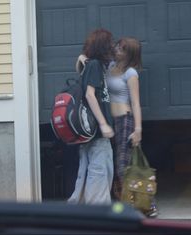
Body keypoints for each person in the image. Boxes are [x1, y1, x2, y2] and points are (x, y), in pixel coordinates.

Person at [107, 37, 157, 216]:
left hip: (125, 121)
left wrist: (138, 129)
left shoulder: (131, 73)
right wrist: (81, 58)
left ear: (130, 54)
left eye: (122, 48)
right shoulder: (110, 66)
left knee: (124, 167)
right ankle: (125, 205)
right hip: (109, 121)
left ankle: (148, 204)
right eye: (118, 46)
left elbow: (136, 103)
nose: (117, 49)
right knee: (112, 166)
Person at [68, 28, 115, 205]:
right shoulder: (95, 66)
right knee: (100, 174)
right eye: (109, 43)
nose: (112, 46)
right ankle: (99, 218)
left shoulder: (90, 65)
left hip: (89, 135)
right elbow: (89, 95)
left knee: (85, 175)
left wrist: (82, 58)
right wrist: (103, 124)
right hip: (97, 133)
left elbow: (80, 64)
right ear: (103, 46)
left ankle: (78, 215)